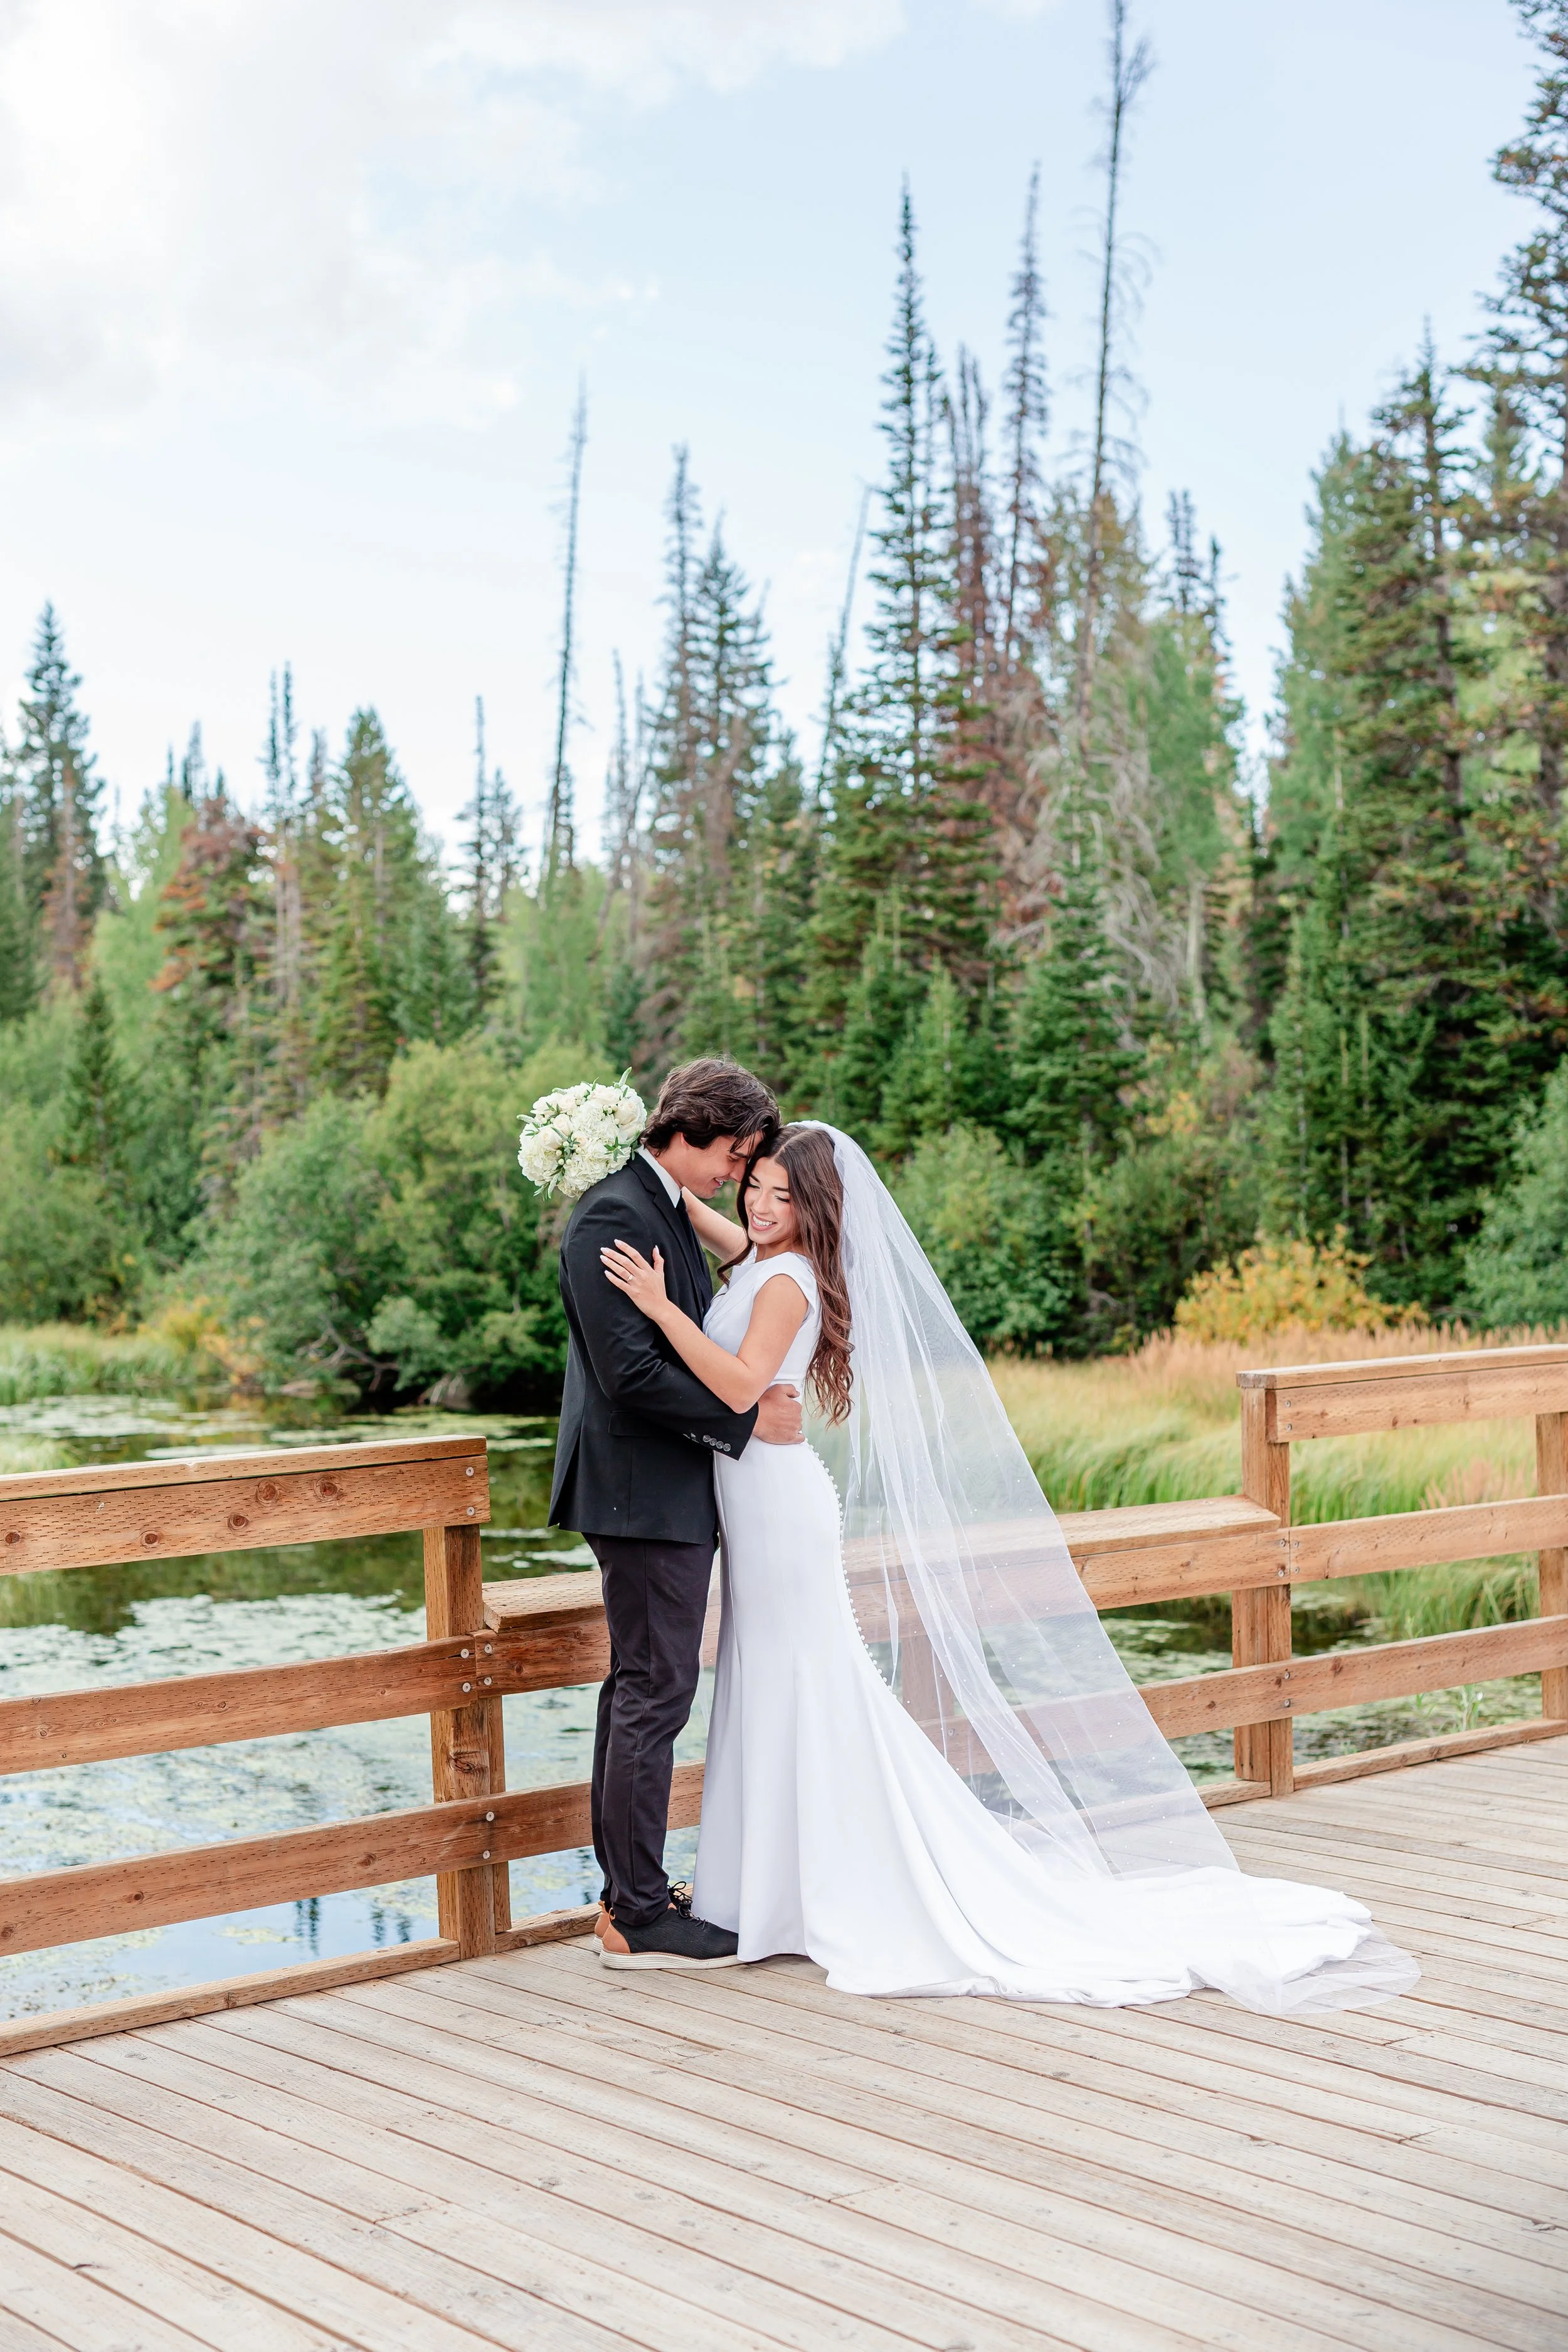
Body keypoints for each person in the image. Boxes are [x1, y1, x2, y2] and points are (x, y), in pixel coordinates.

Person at [598, 1120, 1419, 2013]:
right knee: (772, 1681)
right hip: (752, 1507)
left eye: (780, 1194)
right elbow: (722, 1224)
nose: (755, 1202)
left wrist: (659, 1303)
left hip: (779, 1509)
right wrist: (633, 1165)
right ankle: (775, 1889)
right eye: (751, 1183)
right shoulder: (769, 1253)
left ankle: (817, 1888)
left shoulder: (790, 1282)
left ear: (815, 1211)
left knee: (806, 1680)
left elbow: (736, 1385)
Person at [550, 1057, 805, 1971]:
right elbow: (632, 1375)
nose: (733, 1179)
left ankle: (631, 1895)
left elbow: (728, 1278)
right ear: (692, 1132)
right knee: (653, 1692)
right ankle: (638, 1908)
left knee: (642, 1689)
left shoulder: (654, 1200)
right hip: (639, 1489)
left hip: (657, 1487)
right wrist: (746, 1417)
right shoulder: (615, 1213)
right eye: (733, 1158)